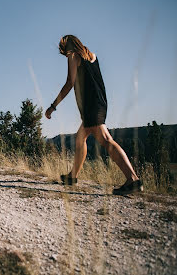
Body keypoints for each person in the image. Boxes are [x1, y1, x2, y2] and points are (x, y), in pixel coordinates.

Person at [45, 35, 143, 195]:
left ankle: (133, 179)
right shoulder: (92, 55)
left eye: (63, 51)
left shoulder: (74, 56)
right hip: (100, 102)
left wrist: (52, 106)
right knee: (80, 138)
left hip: (91, 105)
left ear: (66, 47)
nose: (64, 54)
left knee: (106, 140)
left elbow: (70, 82)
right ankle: (72, 177)